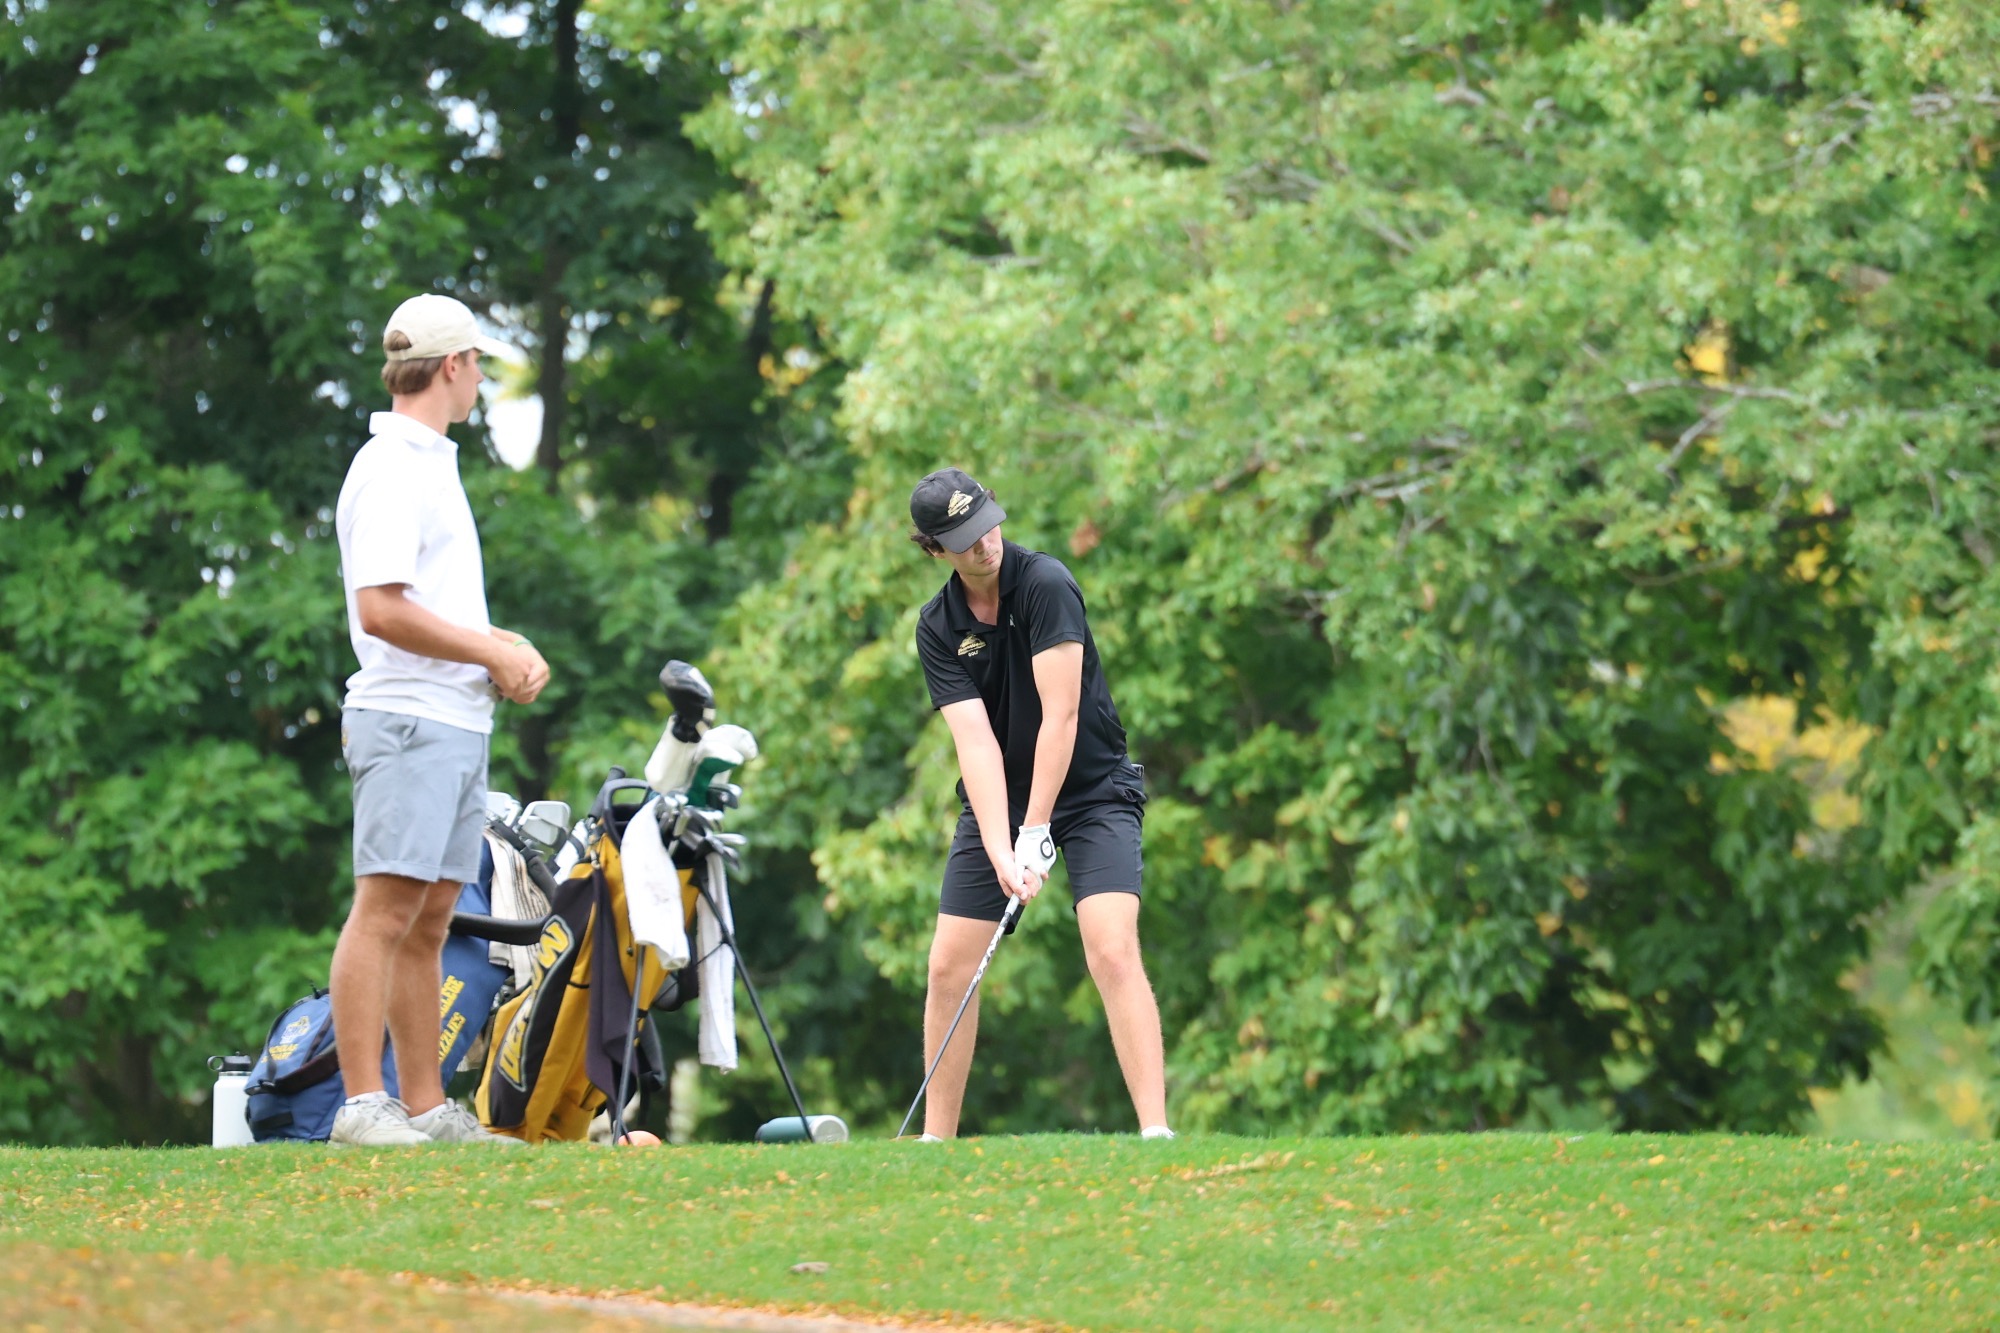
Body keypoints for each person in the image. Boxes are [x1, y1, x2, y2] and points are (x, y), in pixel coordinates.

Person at [326, 294, 547, 1147]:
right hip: (407, 719)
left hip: (453, 721)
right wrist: (487, 653)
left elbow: (429, 605)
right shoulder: (392, 466)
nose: (481, 379)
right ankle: (359, 1106)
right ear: (453, 367)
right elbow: (380, 610)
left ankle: (424, 1106)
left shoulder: (431, 464)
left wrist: (501, 645)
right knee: (383, 910)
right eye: (479, 365)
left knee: (430, 920)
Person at [908, 466, 1172, 1140]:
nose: (985, 544)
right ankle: (935, 1142)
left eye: (987, 524)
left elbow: (1061, 717)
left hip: (1092, 791)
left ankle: (1155, 1132)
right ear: (934, 549)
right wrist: (1002, 845)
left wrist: (1036, 830)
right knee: (947, 965)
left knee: (1111, 948)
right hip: (1001, 800)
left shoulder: (1046, 583)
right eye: (964, 539)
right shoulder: (938, 626)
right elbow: (977, 745)